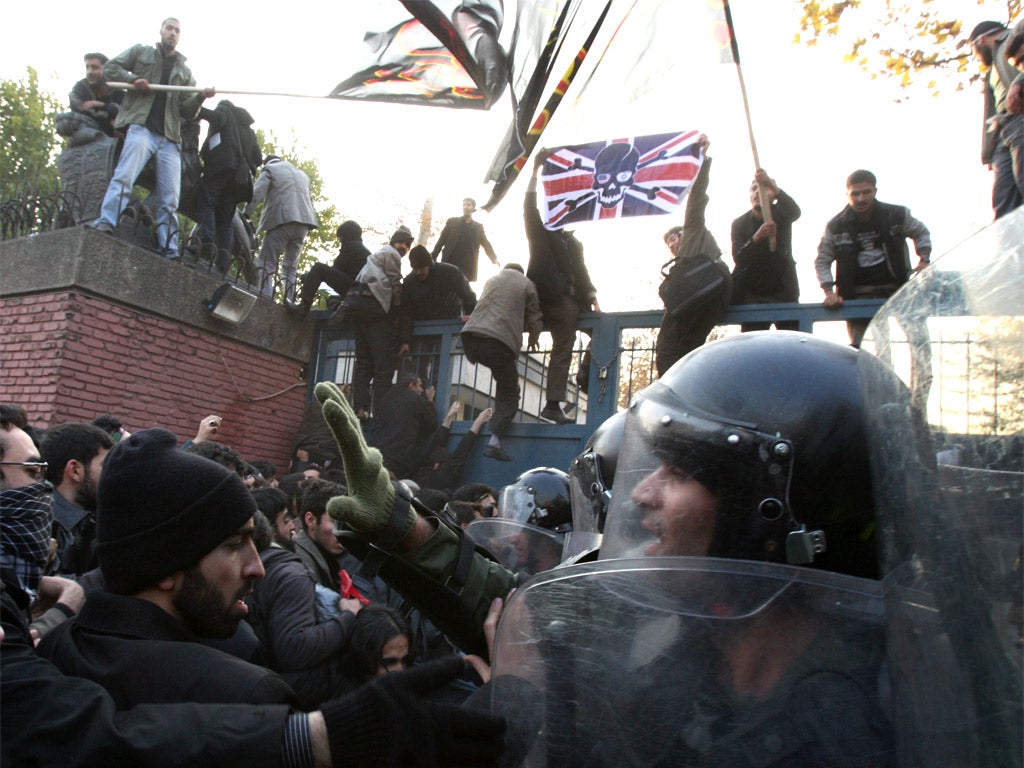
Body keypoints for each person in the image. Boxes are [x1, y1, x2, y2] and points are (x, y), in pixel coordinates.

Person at [89, 18, 215, 258]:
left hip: (169, 137)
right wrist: (132, 79)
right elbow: (110, 69)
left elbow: (187, 112)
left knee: (170, 197)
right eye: (169, 28)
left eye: (177, 30)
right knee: (124, 176)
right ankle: (107, 221)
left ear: (180, 36)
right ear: (161, 31)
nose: (173, 33)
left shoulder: (184, 72)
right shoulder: (142, 52)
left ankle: (170, 246)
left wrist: (200, 97)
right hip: (143, 128)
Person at [815, 169, 932, 348]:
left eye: (866, 192)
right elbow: (822, 260)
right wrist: (829, 292)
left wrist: (924, 260)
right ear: (847, 194)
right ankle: (868, 377)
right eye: (855, 194)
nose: (861, 199)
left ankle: (923, 377)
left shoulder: (896, 215)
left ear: (875, 191)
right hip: (857, 295)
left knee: (919, 338)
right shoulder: (836, 225)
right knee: (862, 348)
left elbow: (921, 232)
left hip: (897, 289)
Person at [526, 152, 600, 424]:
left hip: (572, 301)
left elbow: (582, 271)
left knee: (597, 332)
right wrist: (534, 173)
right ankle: (551, 403)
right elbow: (529, 208)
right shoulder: (542, 232)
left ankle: (586, 384)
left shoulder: (574, 243)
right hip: (549, 299)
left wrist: (592, 297)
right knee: (562, 345)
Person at [654, 135, 732, 376]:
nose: (672, 246)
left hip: (701, 300)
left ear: (683, 233)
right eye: (668, 244)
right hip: (708, 302)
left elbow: (697, 198)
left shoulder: (693, 231)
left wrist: (702, 159)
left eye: (673, 239)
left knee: (668, 354)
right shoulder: (688, 264)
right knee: (686, 353)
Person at [461, 264, 544, 461]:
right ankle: (494, 442)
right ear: (520, 272)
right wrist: (534, 336)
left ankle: (494, 432)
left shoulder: (493, 279)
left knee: (503, 380)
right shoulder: (527, 283)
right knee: (510, 393)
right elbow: (535, 315)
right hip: (497, 343)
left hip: (471, 339)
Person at [350, 227, 413, 418]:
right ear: (394, 241)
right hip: (375, 311)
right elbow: (395, 284)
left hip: (357, 308)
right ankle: (380, 412)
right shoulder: (391, 254)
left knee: (363, 363)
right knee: (383, 367)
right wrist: (398, 308)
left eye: (407, 245)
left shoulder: (374, 258)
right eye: (402, 242)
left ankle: (360, 408)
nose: (403, 247)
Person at [729, 168, 801, 331]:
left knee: (789, 342)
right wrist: (756, 238)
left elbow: (795, 212)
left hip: (783, 291)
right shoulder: (739, 223)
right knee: (754, 345)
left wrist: (773, 186)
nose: (757, 192)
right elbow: (739, 258)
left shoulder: (782, 213)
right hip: (753, 294)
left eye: (762, 188)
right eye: (753, 188)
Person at [39, 422, 114, 576]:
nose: (112, 474)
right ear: (75, 470)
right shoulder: (37, 525)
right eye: (106, 466)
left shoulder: (95, 522)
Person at [195, 99, 261, 272]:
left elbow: (214, 116)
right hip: (238, 179)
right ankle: (223, 261)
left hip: (220, 167)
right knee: (225, 220)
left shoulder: (225, 111)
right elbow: (259, 157)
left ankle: (206, 245)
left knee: (206, 201)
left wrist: (196, 107)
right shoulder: (248, 130)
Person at [245, 155, 319, 302]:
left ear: (267, 163)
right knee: (290, 267)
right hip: (304, 224)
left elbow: (256, 194)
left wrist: (246, 214)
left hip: (282, 220)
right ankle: (289, 300)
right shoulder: (302, 175)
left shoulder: (270, 170)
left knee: (266, 262)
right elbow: (310, 201)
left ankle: (264, 297)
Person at [970, 20, 1024, 219]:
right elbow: (990, 113)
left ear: (980, 40)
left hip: (1019, 118)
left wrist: (1019, 83)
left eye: (973, 49)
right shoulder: (991, 70)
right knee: (1003, 204)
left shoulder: (1014, 38)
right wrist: (988, 153)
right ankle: (1014, 249)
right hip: (1003, 132)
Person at [398, 245, 478, 353]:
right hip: (424, 330)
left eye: (421, 268)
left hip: (446, 327)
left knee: (440, 362)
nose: (418, 272)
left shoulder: (450, 273)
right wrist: (405, 340)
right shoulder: (409, 282)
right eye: (415, 269)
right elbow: (406, 312)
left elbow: (468, 296)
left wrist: (469, 315)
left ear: (429, 264)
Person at [295, 220, 371, 316]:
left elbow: (334, 270)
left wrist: (309, 276)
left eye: (340, 237)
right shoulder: (362, 250)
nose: (340, 240)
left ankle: (303, 307)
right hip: (362, 292)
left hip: (354, 288)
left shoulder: (351, 247)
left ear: (345, 235)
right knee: (332, 300)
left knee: (318, 268)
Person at [412, 404, 494, 493]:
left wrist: (448, 419)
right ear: (436, 466)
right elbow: (463, 450)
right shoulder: (444, 476)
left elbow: (439, 445)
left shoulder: (420, 471)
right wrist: (479, 421)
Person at [372, 373, 438, 481]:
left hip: (377, 454)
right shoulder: (415, 399)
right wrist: (430, 400)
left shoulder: (386, 398)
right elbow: (431, 425)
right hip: (399, 458)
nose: (422, 391)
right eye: (420, 386)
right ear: (412, 385)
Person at [431, 197, 499, 282]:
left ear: (473, 208)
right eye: (464, 205)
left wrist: (494, 258)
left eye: (468, 205)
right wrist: (433, 256)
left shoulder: (478, 227)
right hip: (450, 261)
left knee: (461, 290)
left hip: (467, 266)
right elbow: (441, 240)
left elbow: (485, 243)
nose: (465, 207)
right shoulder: (452, 222)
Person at [68, 52, 123, 137]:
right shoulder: (81, 88)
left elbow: (122, 113)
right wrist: (108, 118)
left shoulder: (117, 91)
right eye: (87, 67)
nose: (89, 72)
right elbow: (79, 109)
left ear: (106, 69)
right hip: (85, 135)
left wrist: (99, 104)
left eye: (94, 68)